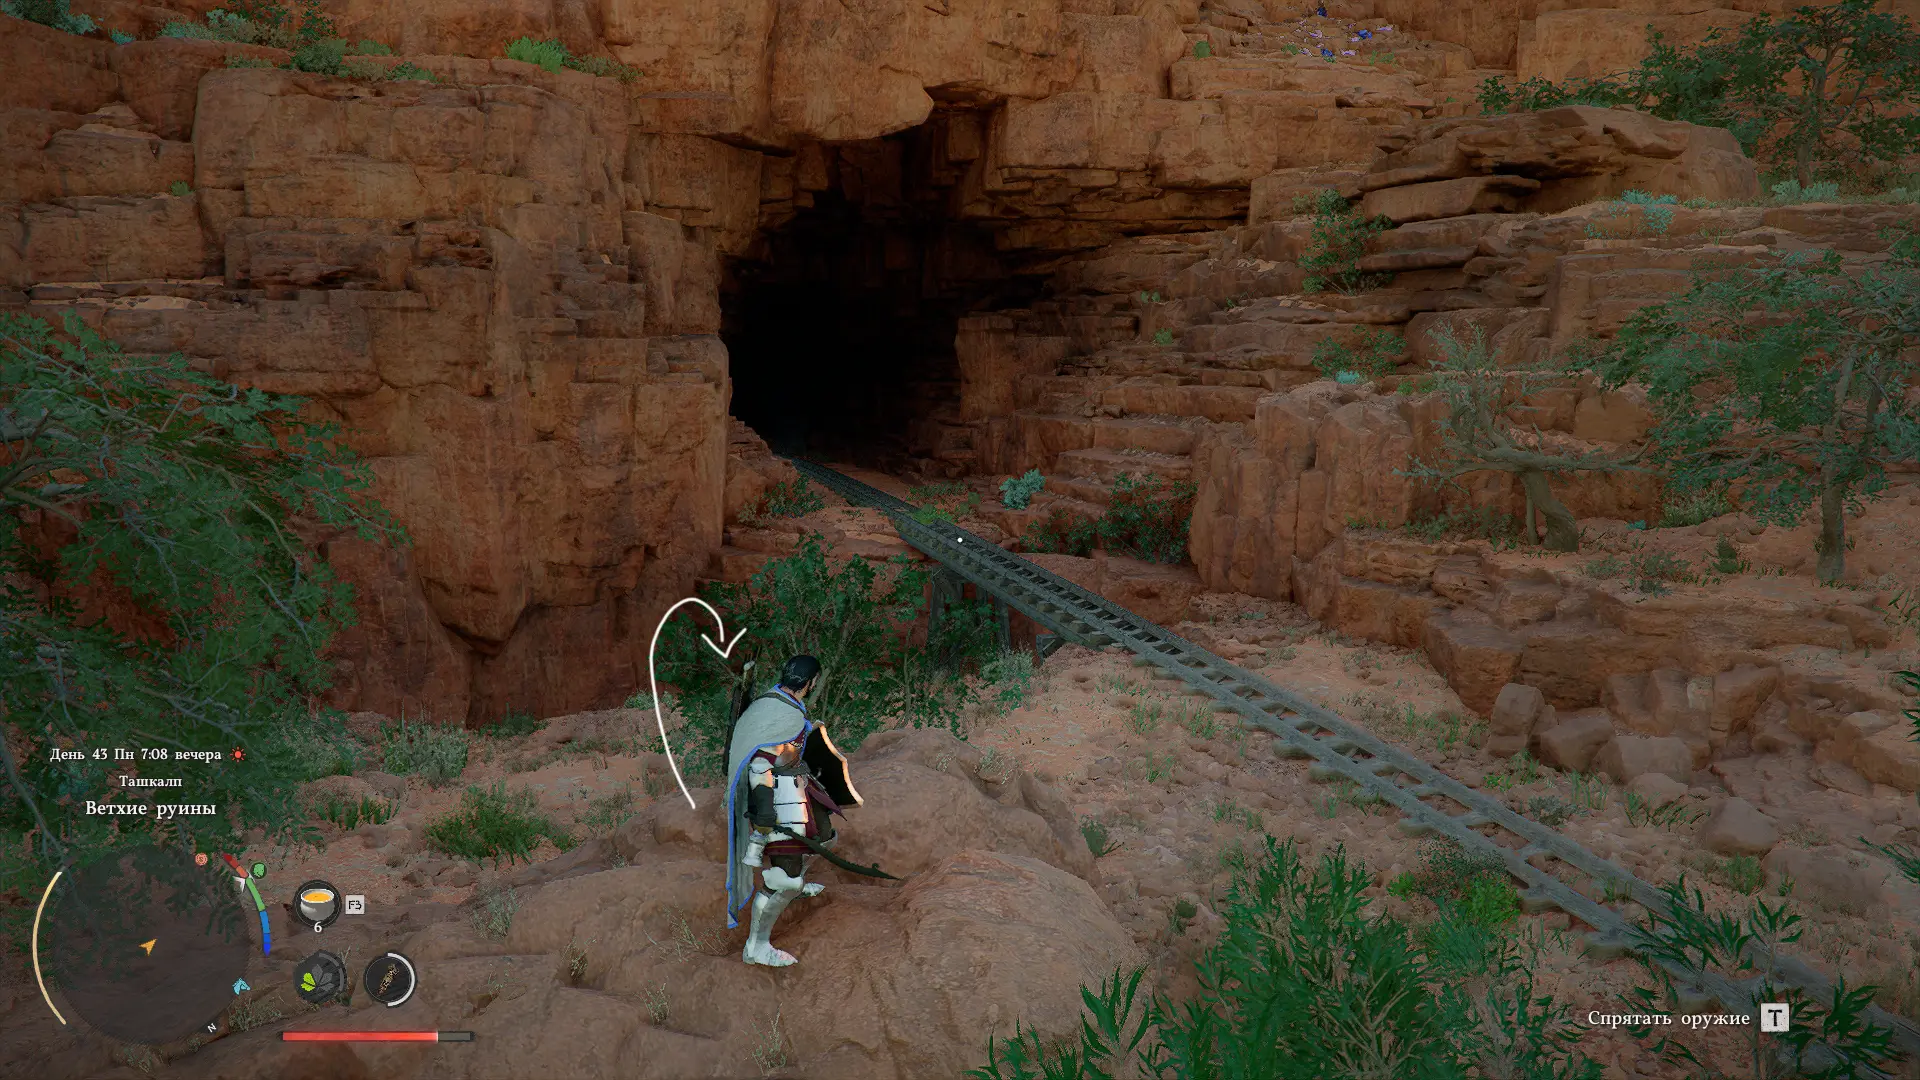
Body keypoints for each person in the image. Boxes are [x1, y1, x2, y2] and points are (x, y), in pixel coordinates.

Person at [723, 654, 862, 967]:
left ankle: (795, 880)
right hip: (775, 799)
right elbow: (760, 764)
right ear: (810, 682)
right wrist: (764, 817)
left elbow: (786, 745)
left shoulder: (777, 703)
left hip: (797, 784)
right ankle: (756, 947)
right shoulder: (779, 713)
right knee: (783, 879)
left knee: (825, 837)